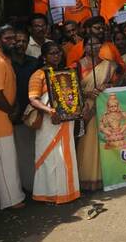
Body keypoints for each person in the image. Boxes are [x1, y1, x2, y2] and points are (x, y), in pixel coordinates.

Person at [28, 42, 81, 203]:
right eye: (52, 53)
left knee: (66, 154)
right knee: (50, 156)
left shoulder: (66, 73)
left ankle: (68, 192)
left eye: (58, 52)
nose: (56, 56)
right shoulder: (38, 74)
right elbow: (33, 99)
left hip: (66, 119)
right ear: (44, 57)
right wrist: (50, 111)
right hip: (49, 121)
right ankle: (49, 194)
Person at [0, 25, 25, 210]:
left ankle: (0, 198)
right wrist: (11, 110)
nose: (13, 42)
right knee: (3, 160)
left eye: (14, 38)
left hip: (4, 114)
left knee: (4, 159)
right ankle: (10, 200)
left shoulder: (3, 56)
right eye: (8, 39)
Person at [77, 35, 118, 190]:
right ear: (84, 47)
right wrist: (87, 93)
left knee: (104, 141)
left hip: (103, 106)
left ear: (101, 46)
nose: (93, 47)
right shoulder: (77, 65)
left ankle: (104, 177)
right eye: (89, 44)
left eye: (96, 44)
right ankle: (87, 178)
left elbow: (115, 84)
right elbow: (73, 88)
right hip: (87, 108)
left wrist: (106, 86)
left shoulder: (108, 65)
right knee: (88, 142)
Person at [12, 28, 40, 192]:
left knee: (34, 150)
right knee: (20, 153)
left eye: (24, 41)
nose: (20, 44)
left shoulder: (34, 62)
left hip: (33, 113)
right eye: (17, 41)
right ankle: (26, 186)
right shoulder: (6, 62)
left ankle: (35, 185)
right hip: (14, 114)